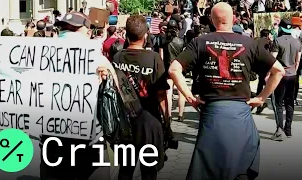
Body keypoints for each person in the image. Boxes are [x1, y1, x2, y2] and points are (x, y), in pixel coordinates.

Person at [0, 12, 112, 180]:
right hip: (85, 144)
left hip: (57, 143)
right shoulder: (43, 54)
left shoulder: (39, 55)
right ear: (86, 31)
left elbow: (18, 83)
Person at [168, 2, 284, 180]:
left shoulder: (200, 42)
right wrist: (261, 98)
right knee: (240, 165)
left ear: (212, 20)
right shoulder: (248, 42)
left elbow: (173, 69)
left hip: (212, 111)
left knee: (208, 168)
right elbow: (279, 71)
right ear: (234, 19)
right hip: (241, 112)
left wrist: (190, 98)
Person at [111, 15, 166, 180]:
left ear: (126, 35)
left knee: (126, 169)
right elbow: (162, 94)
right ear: (146, 35)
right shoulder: (154, 58)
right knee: (149, 170)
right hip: (149, 121)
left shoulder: (117, 57)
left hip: (125, 121)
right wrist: (167, 121)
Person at [271, 18, 302, 140]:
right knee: (290, 103)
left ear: (281, 28)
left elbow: (273, 60)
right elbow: (297, 60)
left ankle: (280, 129)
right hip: (293, 75)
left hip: (281, 75)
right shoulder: (297, 42)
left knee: (279, 103)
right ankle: (288, 129)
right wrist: (293, 70)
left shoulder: (277, 41)